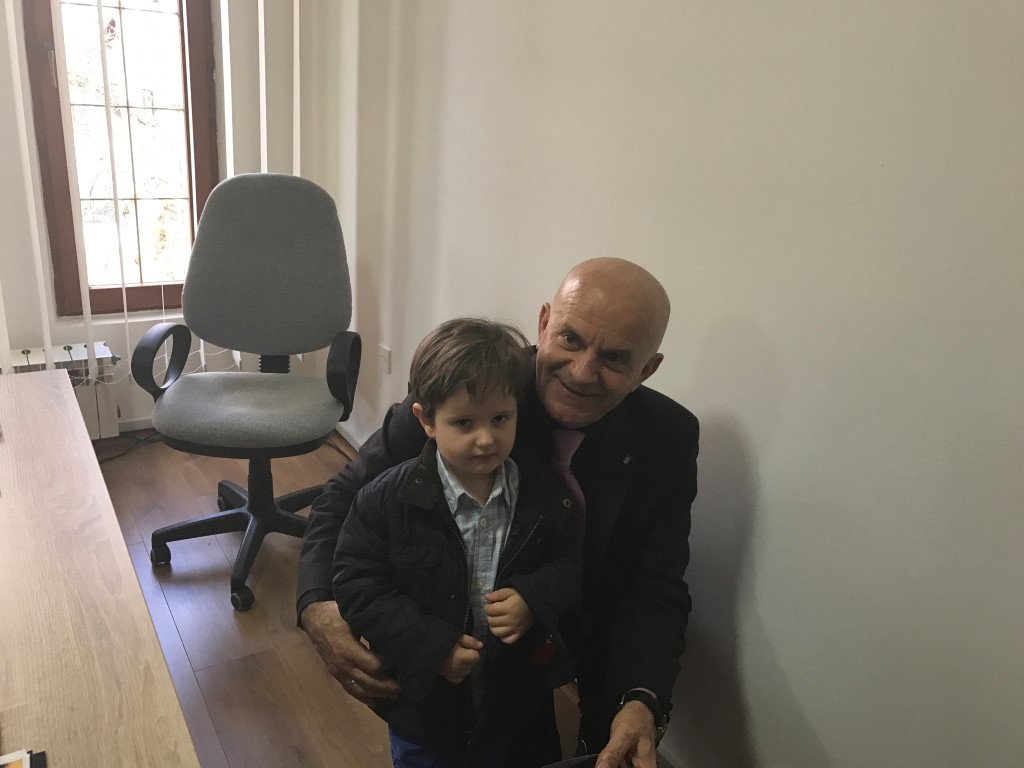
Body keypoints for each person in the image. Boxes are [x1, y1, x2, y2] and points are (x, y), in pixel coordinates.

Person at [299, 258, 699, 768]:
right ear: (544, 323)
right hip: (452, 649)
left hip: (584, 628)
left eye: (616, 358)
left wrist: (641, 698)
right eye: (570, 339)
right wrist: (317, 606)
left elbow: (656, 584)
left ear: (647, 369)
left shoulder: (668, 437)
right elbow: (343, 496)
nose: (582, 373)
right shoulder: (470, 390)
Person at [332, 317, 582, 767]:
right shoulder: (387, 500)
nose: (486, 439)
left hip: (515, 705)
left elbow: (569, 566)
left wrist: (534, 597)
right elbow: (357, 582)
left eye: (500, 419)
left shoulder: (545, 495)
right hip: (425, 709)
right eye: (464, 422)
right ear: (426, 420)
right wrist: (431, 646)